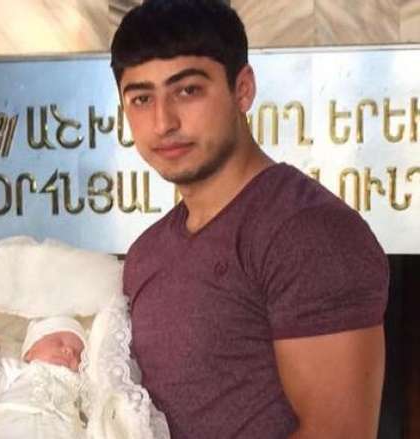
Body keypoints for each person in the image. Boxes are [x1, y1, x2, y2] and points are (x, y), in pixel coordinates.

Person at [111, 1, 389, 438]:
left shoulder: (308, 232)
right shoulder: (146, 253)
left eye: (187, 90)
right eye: (142, 99)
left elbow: (338, 433)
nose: (163, 122)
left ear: (242, 90)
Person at [0, 316, 87, 439]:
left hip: (60, 429)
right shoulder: (18, 368)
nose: (69, 350)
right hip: (13, 421)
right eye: (59, 343)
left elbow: (91, 404)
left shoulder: (75, 382)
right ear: (29, 353)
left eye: (77, 352)